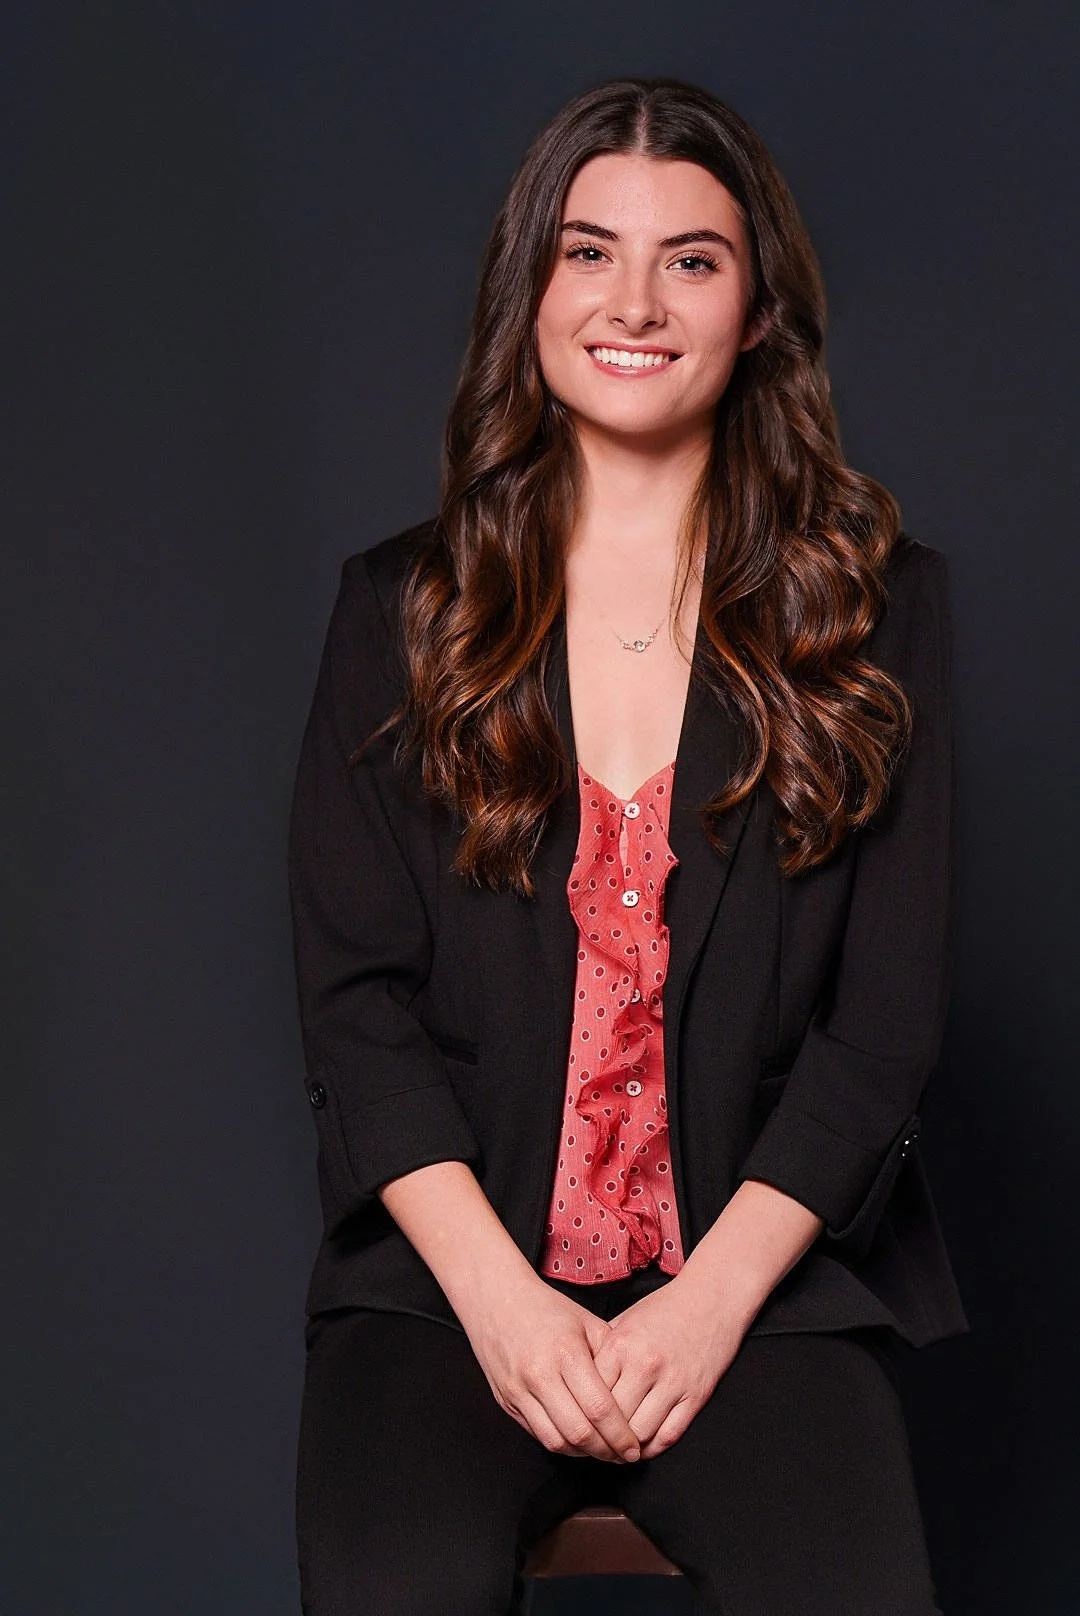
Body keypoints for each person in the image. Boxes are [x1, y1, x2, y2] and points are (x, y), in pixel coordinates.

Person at [287, 75, 969, 1616]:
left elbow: (884, 1028)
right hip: (447, 1295)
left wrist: (703, 1312)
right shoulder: (398, 610)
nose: (637, 302)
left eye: (694, 259)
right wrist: (511, 1314)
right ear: (530, 291)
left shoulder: (883, 611)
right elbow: (357, 1007)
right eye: (590, 251)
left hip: (761, 1293)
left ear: (760, 312)